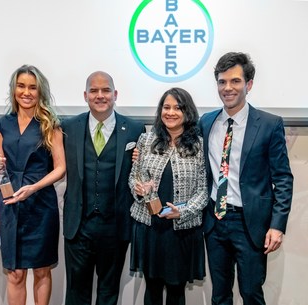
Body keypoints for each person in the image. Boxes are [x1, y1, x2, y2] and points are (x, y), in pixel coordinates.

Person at [199, 52, 293, 305]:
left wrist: (277, 225)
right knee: (219, 294)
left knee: (251, 292)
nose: (227, 88)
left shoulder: (269, 124)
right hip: (214, 220)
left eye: (235, 81)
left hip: (250, 223)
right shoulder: (206, 122)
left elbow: (283, 177)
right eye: (222, 82)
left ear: (248, 84)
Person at [61, 71, 145, 305]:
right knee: (76, 292)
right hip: (78, 225)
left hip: (115, 226)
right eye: (94, 91)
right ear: (85, 95)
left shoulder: (135, 129)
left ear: (115, 94)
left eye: (106, 90)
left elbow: (142, 171)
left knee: (109, 293)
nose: (100, 95)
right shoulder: (68, 127)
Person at [0, 65, 65, 305]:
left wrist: (33, 188)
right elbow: (2, 167)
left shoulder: (50, 124)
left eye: (32, 87)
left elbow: (60, 168)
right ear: (14, 89)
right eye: (21, 86)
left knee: (42, 269)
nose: (26, 92)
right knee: (15, 272)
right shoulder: (3, 124)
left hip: (41, 203)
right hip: (10, 203)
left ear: (40, 91)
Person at [128, 87, 208, 305]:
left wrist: (182, 211)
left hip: (181, 231)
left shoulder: (199, 145)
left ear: (187, 112)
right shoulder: (146, 140)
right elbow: (133, 178)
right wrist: (140, 190)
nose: (171, 112)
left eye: (178, 108)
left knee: (176, 290)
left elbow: (204, 190)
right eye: (166, 107)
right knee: (152, 289)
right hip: (149, 226)